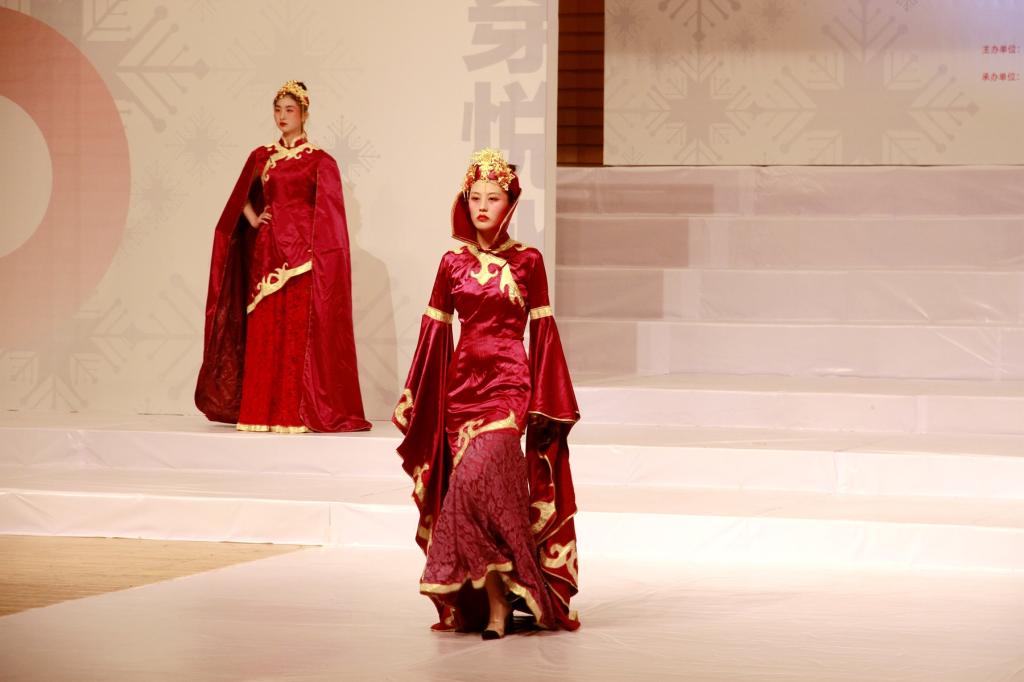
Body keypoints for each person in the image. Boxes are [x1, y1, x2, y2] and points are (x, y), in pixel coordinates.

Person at [393, 148, 580, 639]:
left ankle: (510, 597)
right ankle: (498, 602)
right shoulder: (451, 263)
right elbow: (434, 334)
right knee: (482, 496)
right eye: (475, 197)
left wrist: (549, 399)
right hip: (462, 392)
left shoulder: (528, 261)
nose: (482, 206)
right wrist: (418, 396)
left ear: (509, 204)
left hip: (509, 385)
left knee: (476, 480)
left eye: (492, 198)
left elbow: (544, 333)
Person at [196, 80, 370, 433]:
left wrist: (320, 256)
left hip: (303, 257)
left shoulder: (320, 160)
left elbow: (330, 216)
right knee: (265, 331)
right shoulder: (262, 156)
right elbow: (240, 197)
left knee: (296, 335)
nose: (282, 116)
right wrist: (253, 219)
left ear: (304, 114)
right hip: (268, 254)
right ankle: (260, 412)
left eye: (289, 110)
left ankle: (294, 413)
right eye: (277, 110)